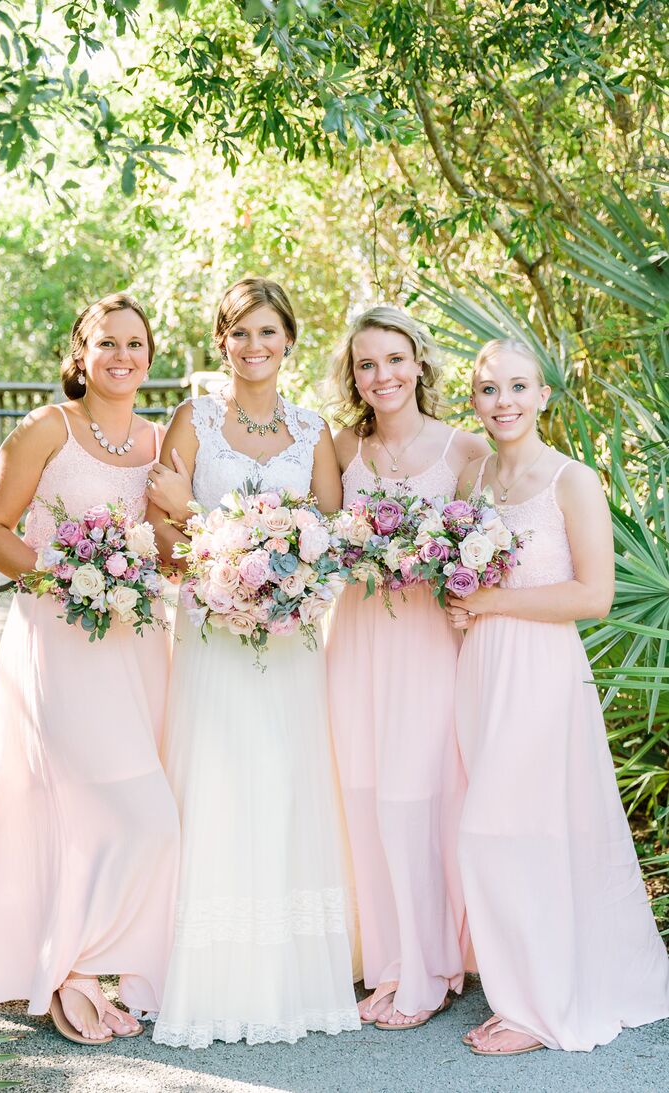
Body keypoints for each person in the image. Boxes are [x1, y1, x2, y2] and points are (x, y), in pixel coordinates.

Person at [146, 276, 360, 1049]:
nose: (254, 346)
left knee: (283, 782)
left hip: (290, 638)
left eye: (267, 332)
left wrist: (289, 584)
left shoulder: (314, 430)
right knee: (216, 781)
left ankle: (286, 971)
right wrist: (219, 560)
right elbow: (163, 532)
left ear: (289, 341)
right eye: (239, 333)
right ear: (220, 342)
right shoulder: (192, 419)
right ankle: (206, 971)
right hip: (210, 631)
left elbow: (330, 530)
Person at [446, 337, 669, 1055]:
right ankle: (526, 989)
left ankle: (539, 1010)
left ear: (543, 395)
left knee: (506, 828)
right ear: (473, 398)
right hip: (481, 668)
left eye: (518, 386)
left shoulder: (571, 480)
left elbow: (593, 594)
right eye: (488, 388)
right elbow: (460, 581)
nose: (502, 401)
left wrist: (488, 599)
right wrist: (463, 604)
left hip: (540, 669)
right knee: (508, 828)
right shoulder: (472, 478)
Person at [0, 293, 181, 1045]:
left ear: (149, 358)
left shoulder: (160, 441)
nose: (122, 356)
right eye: (106, 343)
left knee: (143, 810)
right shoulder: (43, 429)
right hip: (59, 644)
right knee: (120, 809)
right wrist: (63, 578)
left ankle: (92, 960)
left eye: (135, 344)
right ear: (80, 354)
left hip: (136, 647)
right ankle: (74, 965)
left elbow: (170, 549)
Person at [326, 307, 489, 1030]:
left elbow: (480, 551)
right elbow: (325, 543)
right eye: (366, 364)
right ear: (353, 377)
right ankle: (387, 959)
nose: (382, 374)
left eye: (394, 358)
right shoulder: (339, 448)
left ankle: (430, 966)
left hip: (425, 641)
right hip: (357, 636)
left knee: (414, 798)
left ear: (419, 362)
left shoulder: (465, 450)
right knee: (361, 795)